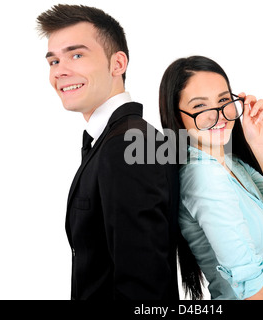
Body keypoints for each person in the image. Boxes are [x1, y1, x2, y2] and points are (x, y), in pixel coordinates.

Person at [37, 4, 179, 300]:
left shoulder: (127, 144)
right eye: (53, 61)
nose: (60, 70)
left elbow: (144, 288)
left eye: (76, 55)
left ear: (118, 64)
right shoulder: (123, 138)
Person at [159, 56, 263, 300]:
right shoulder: (202, 175)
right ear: (178, 117)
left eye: (224, 101)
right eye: (199, 107)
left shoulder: (231, 164)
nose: (217, 115)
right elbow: (254, 294)